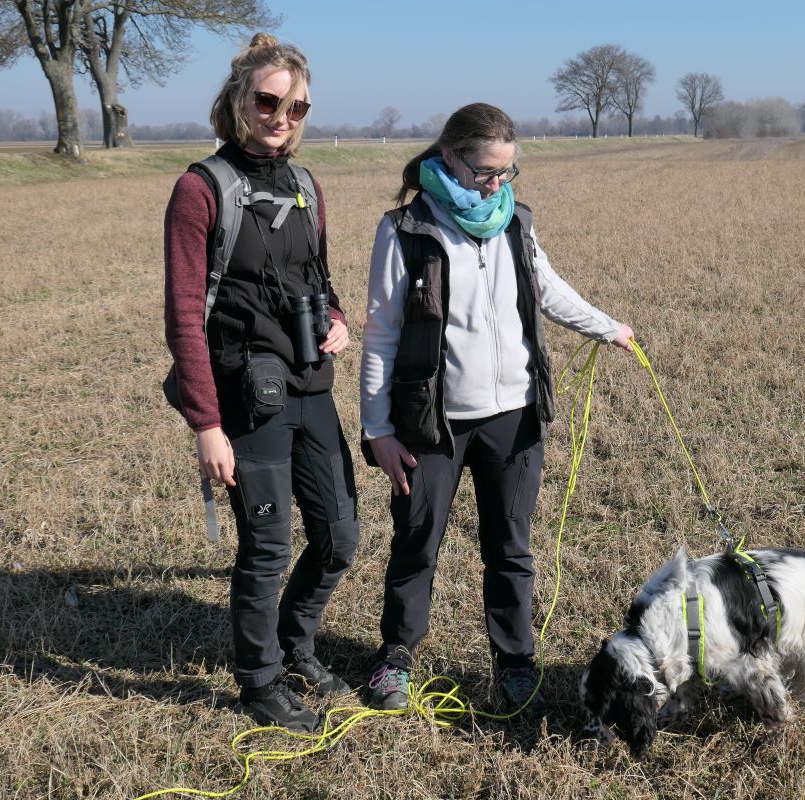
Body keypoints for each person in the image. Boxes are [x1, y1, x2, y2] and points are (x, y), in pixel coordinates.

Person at [360, 102, 634, 715]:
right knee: (416, 541)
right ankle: (396, 657)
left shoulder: (516, 221)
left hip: (513, 415)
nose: (497, 184)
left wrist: (606, 327)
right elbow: (380, 333)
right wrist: (377, 429)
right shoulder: (404, 229)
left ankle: (515, 662)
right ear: (450, 158)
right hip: (432, 421)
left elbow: (546, 286)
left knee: (510, 547)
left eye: (508, 172)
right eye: (486, 172)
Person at [163, 33, 359, 732]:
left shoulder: (306, 186)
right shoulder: (200, 188)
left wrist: (336, 319)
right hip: (247, 395)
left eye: (298, 106)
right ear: (238, 100)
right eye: (269, 101)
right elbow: (185, 315)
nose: (283, 117)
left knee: (340, 536)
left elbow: (321, 282)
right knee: (269, 545)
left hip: (313, 383)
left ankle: (294, 643)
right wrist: (206, 425)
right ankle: (259, 680)